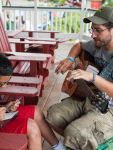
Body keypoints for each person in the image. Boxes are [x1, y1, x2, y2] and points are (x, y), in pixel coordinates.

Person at [0, 52, 66, 150]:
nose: (5, 86)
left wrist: (5, 107)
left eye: (7, 82)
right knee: (31, 127)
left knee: (36, 112)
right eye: (2, 83)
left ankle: (59, 148)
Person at [47, 6, 113, 150]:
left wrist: (92, 77)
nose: (93, 35)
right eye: (92, 29)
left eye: (98, 30)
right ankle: (82, 142)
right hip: (90, 98)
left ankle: (103, 141)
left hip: (109, 108)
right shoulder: (97, 45)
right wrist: (70, 58)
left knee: (74, 132)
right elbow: (79, 45)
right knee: (53, 115)